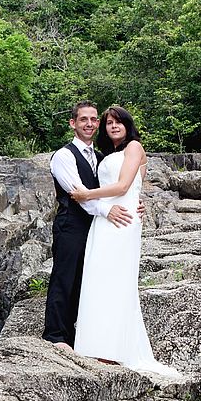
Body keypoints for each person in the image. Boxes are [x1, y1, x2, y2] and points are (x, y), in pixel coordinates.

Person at [70, 106, 182, 377]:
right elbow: (132, 189)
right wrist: (132, 199)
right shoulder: (108, 154)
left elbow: (124, 187)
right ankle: (95, 346)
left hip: (121, 222)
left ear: (127, 125)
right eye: (109, 123)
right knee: (98, 278)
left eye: (118, 122)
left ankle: (114, 350)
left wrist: (87, 194)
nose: (113, 126)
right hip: (105, 220)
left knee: (117, 280)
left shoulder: (134, 147)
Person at [43, 100, 142, 351]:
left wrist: (134, 203)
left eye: (94, 120)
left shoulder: (101, 157)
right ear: (73, 123)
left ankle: (80, 334)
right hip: (71, 225)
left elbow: (117, 187)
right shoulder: (63, 156)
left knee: (86, 281)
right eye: (84, 119)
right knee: (64, 278)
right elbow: (80, 194)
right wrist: (108, 210)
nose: (90, 124)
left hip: (97, 228)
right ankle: (55, 335)